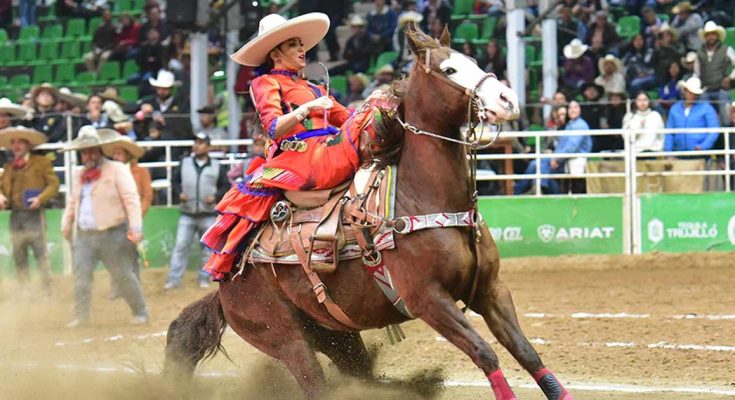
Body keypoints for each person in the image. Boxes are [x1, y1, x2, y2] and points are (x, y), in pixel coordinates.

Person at [201, 13, 376, 280]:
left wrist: (372, 104)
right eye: (293, 44)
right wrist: (307, 108)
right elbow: (273, 128)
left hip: (329, 149)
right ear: (275, 53)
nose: (302, 49)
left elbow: (350, 119)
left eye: (300, 44)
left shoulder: (315, 88)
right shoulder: (265, 82)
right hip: (302, 159)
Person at [61, 125, 148, 328]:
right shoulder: (80, 176)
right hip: (85, 234)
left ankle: (140, 311)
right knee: (81, 276)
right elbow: (73, 202)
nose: (88, 155)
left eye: (92, 150)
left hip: (113, 232)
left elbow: (131, 199)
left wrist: (135, 228)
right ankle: (81, 316)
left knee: (123, 274)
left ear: (101, 150)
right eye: (84, 151)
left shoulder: (117, 169)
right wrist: (67, 223)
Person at [165, 132, 229, 289]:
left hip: (208, 214)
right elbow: (175, 180)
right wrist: (178, 193)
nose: (197, 146)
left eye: (201, 143)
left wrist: (215, 196)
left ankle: (204, 279)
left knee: (208, 250)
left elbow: (225, 186)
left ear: (208, 146)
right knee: (181, 246)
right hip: (187, 213)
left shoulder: (217, 166)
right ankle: (174, 280)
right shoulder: (184, 162)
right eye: (196, 142)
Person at [0, 127, 59, 292]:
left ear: (28, 145)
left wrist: (40, 198)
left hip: (35, 214)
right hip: (16, 215)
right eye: (13, 143)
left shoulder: (41, 162)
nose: (16, 146)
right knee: (19, 255)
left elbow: (54, 184)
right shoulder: (9, 167)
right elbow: (2, 189)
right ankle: (24, 291)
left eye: (19, 142)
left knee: (41, 253)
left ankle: (47, 291)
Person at [514, 101, 591, 194]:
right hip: (561, 157)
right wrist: (554, 155)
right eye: (570, 108)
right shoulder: (570, 124)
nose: (572, 110)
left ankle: (524, 190)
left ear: (580, 110)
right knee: (536, 164)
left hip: (571, 159)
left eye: (575, 107)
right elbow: (562, 146)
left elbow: (572, 147)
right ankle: (534, 189)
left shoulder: (579, 125)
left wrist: (556, 158)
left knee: (537, 165)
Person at [665, 77, 720, 153]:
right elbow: (669, 132)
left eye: (695, 94)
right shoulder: (675, 109)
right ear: (685, 91)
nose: (692, 96)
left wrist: (703, 146)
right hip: (679, 152)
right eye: (690, 92)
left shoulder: (706, 108)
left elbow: (714, 130)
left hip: (699, 152)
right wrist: (668, 152)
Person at [695, 21, 735, 126]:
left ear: (717, 35)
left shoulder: (726, 49)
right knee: (704, 119)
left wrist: (730, 77)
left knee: (726, 118)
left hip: (721, 88)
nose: (711, 37)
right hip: (706, 89)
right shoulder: (699, 53)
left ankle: (729, 141)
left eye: (713, 34)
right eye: (708, 34)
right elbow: (697, 73)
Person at [84, 8, 118, 73]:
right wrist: (95, 49)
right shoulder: (99, 28)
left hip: (109, 50)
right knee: (87, 57)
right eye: (104, 15)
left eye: (107, 15)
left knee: (104, 57)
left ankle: (99, 73)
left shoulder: (114, 27)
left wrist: (102, 50)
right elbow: (94, 41)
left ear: (111, 16)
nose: (106, 16)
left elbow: (114, 42)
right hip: (98, 50)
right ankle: (93, 75)